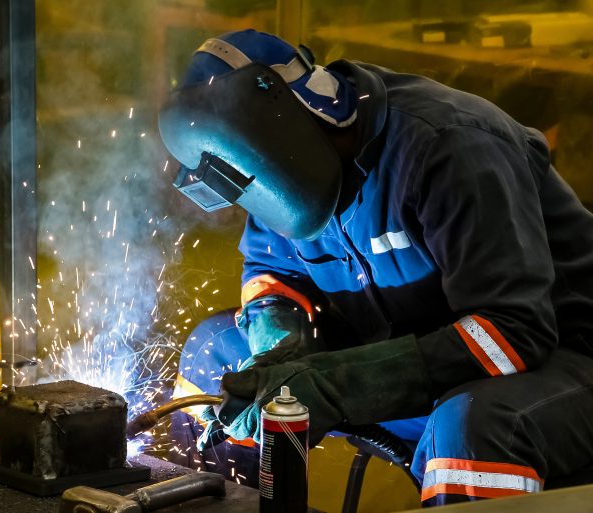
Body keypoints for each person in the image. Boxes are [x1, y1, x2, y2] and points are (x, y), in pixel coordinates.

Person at [158, 29, 593, 506]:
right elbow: (270, 270)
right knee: (215, 355)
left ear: (293, 122)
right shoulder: (279, 161)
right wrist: (278, 344)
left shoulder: (448, 146)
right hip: (402, 358)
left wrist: (338, 383)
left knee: (475, 425)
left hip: (556, 367)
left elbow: (515, 332)